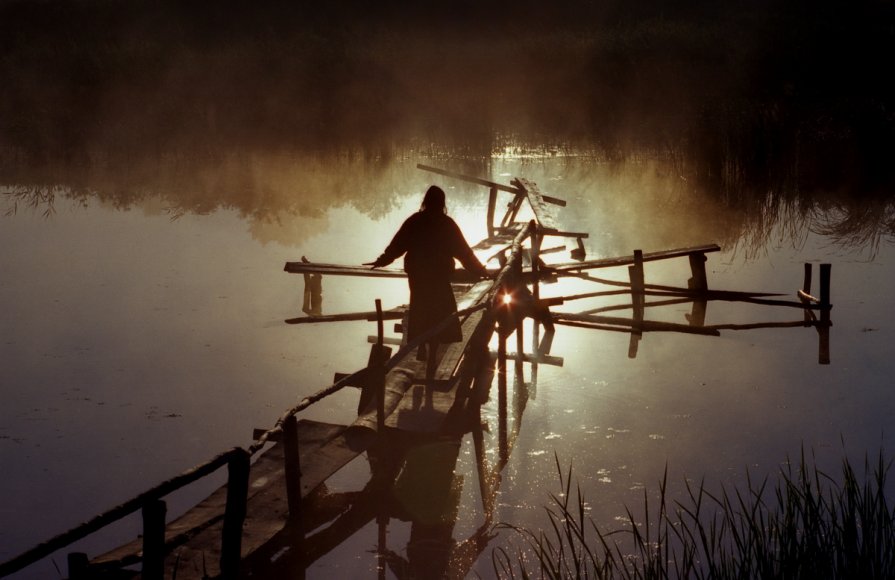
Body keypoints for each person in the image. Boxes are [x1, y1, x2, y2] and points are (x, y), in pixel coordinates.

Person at [365, 185, 488, 361]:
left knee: (420, 308)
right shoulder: (447, 224)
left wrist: (383, 259)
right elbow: (464, 254)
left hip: (418, 274)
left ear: (425, 202)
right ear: (442, 204)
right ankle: (432, 348)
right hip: (438, 275)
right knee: (440, 312)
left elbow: (397, 246)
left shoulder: (415, 221)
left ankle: (421, 345)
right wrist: (480, 271)